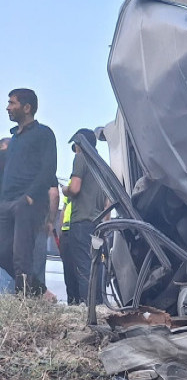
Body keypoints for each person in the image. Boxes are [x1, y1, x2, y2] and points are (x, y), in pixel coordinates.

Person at [0, 89, 57, 296]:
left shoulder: (44, 134)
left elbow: (49, 169)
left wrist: (30, 197)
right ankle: (39, 290)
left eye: (12, 103)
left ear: (27, 107)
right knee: (3, 253)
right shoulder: (14, 139)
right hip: (7, 203)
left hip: (28, 203)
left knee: (21, 256)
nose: (7, 107)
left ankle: (25, 303)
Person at [61, 128, 107, 304]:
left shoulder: (81, 158)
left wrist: (65, 189)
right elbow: (108, 202)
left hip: (81, 223)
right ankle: (99, 305)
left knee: (82, 266)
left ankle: (87, 308)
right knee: (97, 265)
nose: (75, 149)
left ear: (80, 144)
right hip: (98, 225)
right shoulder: (102, 165)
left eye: (75, 146)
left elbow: (74, 188)